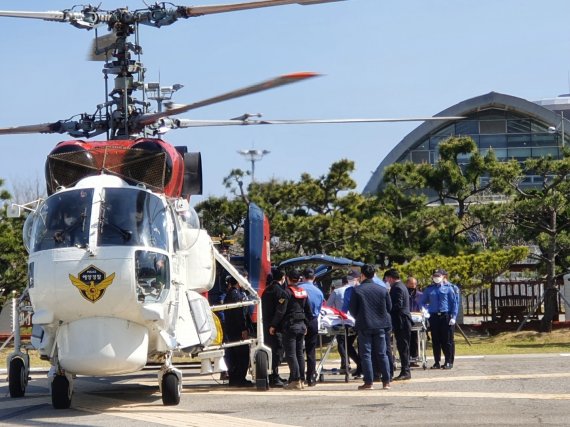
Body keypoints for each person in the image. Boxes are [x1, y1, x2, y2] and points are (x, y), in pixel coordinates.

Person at [349, 264, 392, 390]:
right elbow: (389, 308)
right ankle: (386, 381)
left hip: (364, 324)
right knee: (382, 353)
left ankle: (369, 381)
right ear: (374, 275)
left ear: (362, 275)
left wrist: (360, 316)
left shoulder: (357, 290)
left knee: (366, 354)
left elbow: (352, 309)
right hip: (381, 324)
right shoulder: (382, 289)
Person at [269, 269, 313, 390]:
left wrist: (273, 325)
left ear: (288, 278)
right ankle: (302, 380)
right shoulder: (303, 292)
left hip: (291, 326)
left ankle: (295, 379)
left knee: (291, 354)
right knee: (299, 353)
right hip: (302, 325)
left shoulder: (286, 292)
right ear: (298, 279)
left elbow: (280, 311)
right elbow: (309, 310)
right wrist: (306, 324)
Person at [327, 270, 362, 377]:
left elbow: (328, 307)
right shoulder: (358, 289)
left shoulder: (337, 291)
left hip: (343, 321)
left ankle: (347, 364)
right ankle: (360, 366)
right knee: (359, 345)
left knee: (343, 345)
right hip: (357, 321)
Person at [420, 269, 457, 370]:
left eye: (438, 276)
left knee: (447, 340)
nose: (436, 278)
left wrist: (453, 316)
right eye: (435, 277)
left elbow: (454, 303)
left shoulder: (449, 288)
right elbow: (422, 302)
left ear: (442, 277)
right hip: (434, 316)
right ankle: (437, 362)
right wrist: (425, 310)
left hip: (445, 315)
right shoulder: (429, 289)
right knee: (435, 340)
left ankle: (448, 361)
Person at [223, 276, 254, 387]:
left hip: (232, 329)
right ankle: (239, 378)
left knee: (234, 354)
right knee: (242, 355)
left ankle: (235, 378)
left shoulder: (233, 294)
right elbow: (239, 314)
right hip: (236, 329)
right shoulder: (235, 295)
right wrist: (243, 328)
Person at [260, 268, 287, 387]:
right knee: (278, 351)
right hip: (276, 327)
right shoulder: (280, 292)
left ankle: (274, 374)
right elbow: (280, 311)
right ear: (283, 277)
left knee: (271, 350)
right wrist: (274, 325)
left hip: (266, 324)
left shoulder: (267, 290)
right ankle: (274, 377)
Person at [385, 269, 412, 381]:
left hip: (401, 320)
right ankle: (405, 370)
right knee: (403, 346)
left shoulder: (397, 287)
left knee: (403, 346)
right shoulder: (401, 286)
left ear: (390, 278)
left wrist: (387, 309)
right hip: (402, 319)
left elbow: (397, 304)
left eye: (386, 279)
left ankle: (406, 371)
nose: (386, 281)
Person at [299, 267, 324, 387]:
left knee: (298, 350)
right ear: (314, 278)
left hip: (301, 320)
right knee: (311, 350)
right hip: (313, 320)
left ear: (303, 277)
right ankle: (311, 378)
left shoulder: (299, 289)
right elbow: (319, 308)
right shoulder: (319, 291)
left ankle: (299, 377)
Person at [443, 270, 460, 368]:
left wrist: (454, 316)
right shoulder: (436, 287)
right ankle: (445, 360)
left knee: (449, 339)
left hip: (449, 315)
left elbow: (456, 304)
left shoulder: (453, 288)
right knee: (441, 339)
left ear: (445, 276)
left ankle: (450, 360)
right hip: (440, 316)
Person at [406, 276, 423, 362]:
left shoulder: (420, 295)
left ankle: (415, 357)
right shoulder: (404, 293)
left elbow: (423, 306)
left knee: (415, 339)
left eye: (415, 284)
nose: (413, 286)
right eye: (411, 284)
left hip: (416, 319)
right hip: (406, 319)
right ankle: (407, 358)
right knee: (406, 339)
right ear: (407, 284)